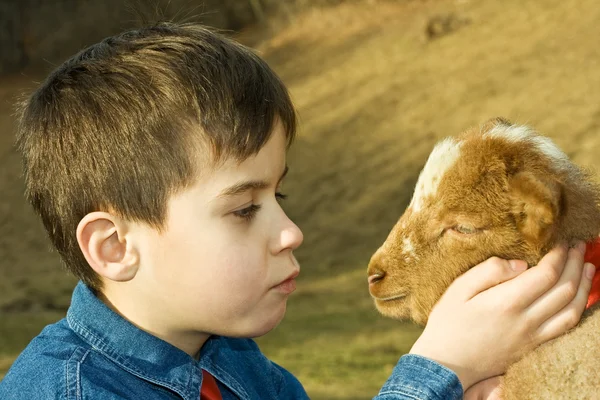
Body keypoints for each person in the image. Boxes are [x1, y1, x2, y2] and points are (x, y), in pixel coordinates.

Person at [0, 22, 593, 400]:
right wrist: (439, 370)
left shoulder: (249, 375)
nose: (291, 232)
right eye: (242, 209)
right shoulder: (65, 393)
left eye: (277, 198)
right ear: (113, 248)